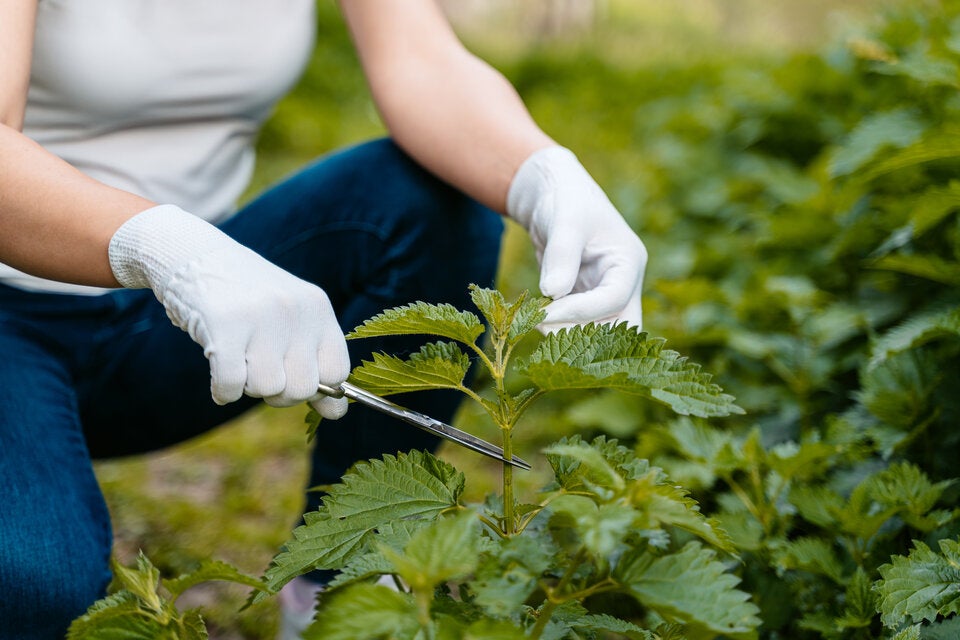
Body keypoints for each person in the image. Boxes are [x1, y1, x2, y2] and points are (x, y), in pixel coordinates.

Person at [0, 0, 646, 637]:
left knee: (427, 201)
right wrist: (165, 246)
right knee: (32, 587)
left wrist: (544, 176)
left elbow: (420, 60)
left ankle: (340, 587)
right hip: (19, 310)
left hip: (182, 317)